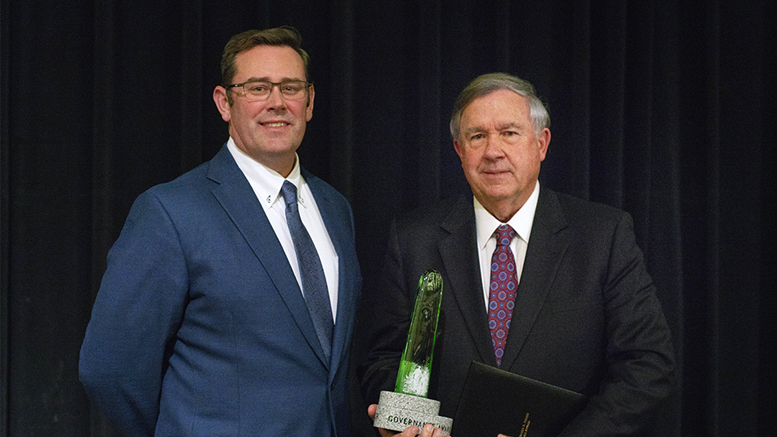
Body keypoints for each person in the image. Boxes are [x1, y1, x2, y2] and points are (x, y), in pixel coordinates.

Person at [79, 26, 362, 436]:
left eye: (291, 87)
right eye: (257, 88)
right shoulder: (170, 212)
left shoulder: (335, 210)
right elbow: (109, 368)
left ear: (311, 101)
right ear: (224, 102)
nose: (277, 103)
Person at [359, 73, 675, 436]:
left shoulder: (604, 236)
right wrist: (399, 422)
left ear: (541, 143)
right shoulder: (414, 239)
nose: (493, 151)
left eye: (509, 133)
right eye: (477, 136)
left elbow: (648, 365)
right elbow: (384, 360)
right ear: (460, 151)